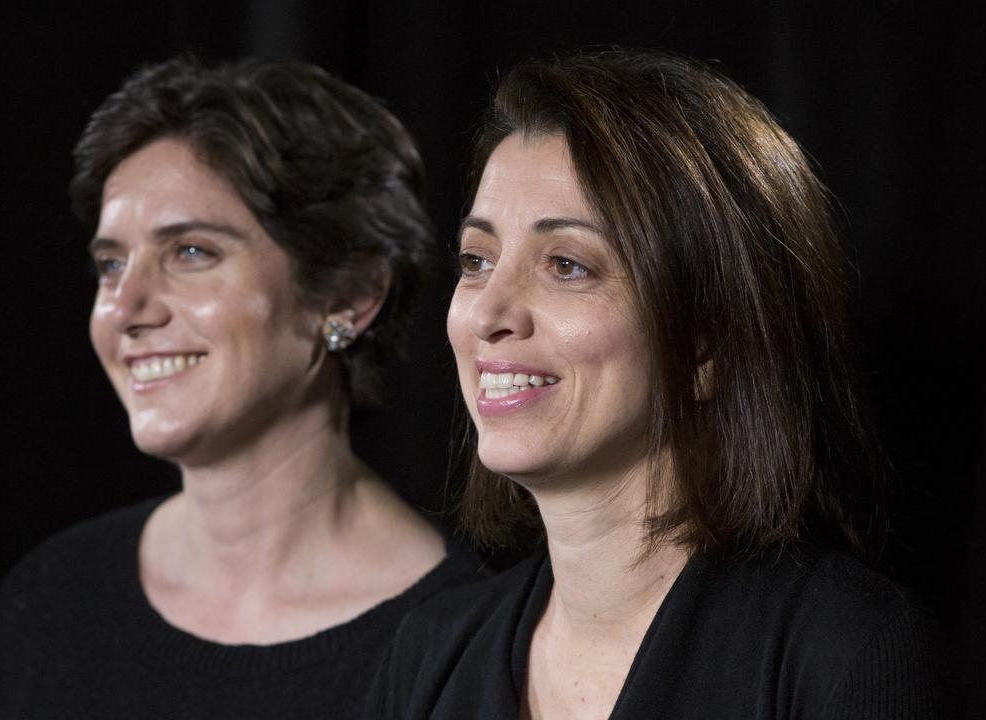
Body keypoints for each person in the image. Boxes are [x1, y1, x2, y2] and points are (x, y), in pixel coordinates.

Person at [369, 49, 953, 719]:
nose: (486, 315)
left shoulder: (845, 654)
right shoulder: (429, 653)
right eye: (478, 260)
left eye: (566, 265)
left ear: (707, 346)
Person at [0, 56, 483, 719]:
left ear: (351, 294)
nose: (125, 307)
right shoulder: (49, 600)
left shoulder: (466, 643)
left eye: (191, 252)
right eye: (110, 264)